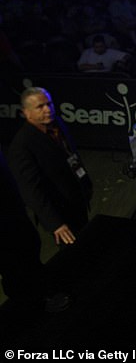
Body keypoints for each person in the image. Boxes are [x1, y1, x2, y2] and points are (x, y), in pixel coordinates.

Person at [8, 87, 92, 246]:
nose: (48, 110)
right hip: (60, 211)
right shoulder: (22, 146)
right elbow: (31, 190)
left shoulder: (57, 123)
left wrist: (85, 184)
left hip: (77, 199)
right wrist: (55, 224)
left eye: (49, 104)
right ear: (26, 112)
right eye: (40, 107)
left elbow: (71, 155)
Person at [0, 148, 71, 313]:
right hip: (5, 227)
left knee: (29, 252)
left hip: (15, 216)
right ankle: (33, 308)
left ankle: (42, 296)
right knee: (14, 269)